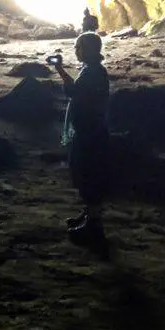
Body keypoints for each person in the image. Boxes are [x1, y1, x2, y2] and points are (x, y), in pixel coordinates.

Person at [52, 31, 110, 252]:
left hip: (91, 134)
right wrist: (60, 70)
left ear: (89, 49)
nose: (76, 51)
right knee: (85, 174)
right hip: (89, 131)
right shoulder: (91, 70)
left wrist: (59, 70)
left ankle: (94, 226)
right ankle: (88, 216)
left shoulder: (93, 73)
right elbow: (77, 93)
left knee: (90, 176)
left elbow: (75, 94)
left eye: (79, 47)